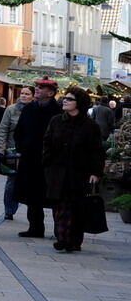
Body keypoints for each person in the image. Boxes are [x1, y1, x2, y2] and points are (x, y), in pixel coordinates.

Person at [43, 88, 105, 252]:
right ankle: (62, 238)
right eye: (64, 98)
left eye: (69, 99)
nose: (65, 100)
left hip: (79, 173)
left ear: (80, 103)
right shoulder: (56, 120)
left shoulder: (90, 126)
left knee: (76, 207)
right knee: (60, 206)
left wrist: (95, 172)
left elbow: (96, 150)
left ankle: (74, 240)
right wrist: (47, 163)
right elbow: (47, 143)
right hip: (57, 172)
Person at [13, 77, 62, 238]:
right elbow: (19, 131)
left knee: (54, 195)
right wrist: (22, 147)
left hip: (51, 160)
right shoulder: (29, 109)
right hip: (30, 158)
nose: (38, 90)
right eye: (37, 87)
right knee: (31, 194)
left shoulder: (58, 111)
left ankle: (60, 230)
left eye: (41, 88)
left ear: (51, 92)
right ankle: (35, 227)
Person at [0, 86, 34, 220]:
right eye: (22, 93)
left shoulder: (35, 111)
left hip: (30, 152)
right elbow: (3, 130)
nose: (23, 96)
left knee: (29, 182)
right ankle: (9, 210)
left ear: (33, 96)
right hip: (12, 151)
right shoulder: (11, 110)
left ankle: (32, 211)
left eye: (27, 94)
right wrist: (0, 149)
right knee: (12, 181)